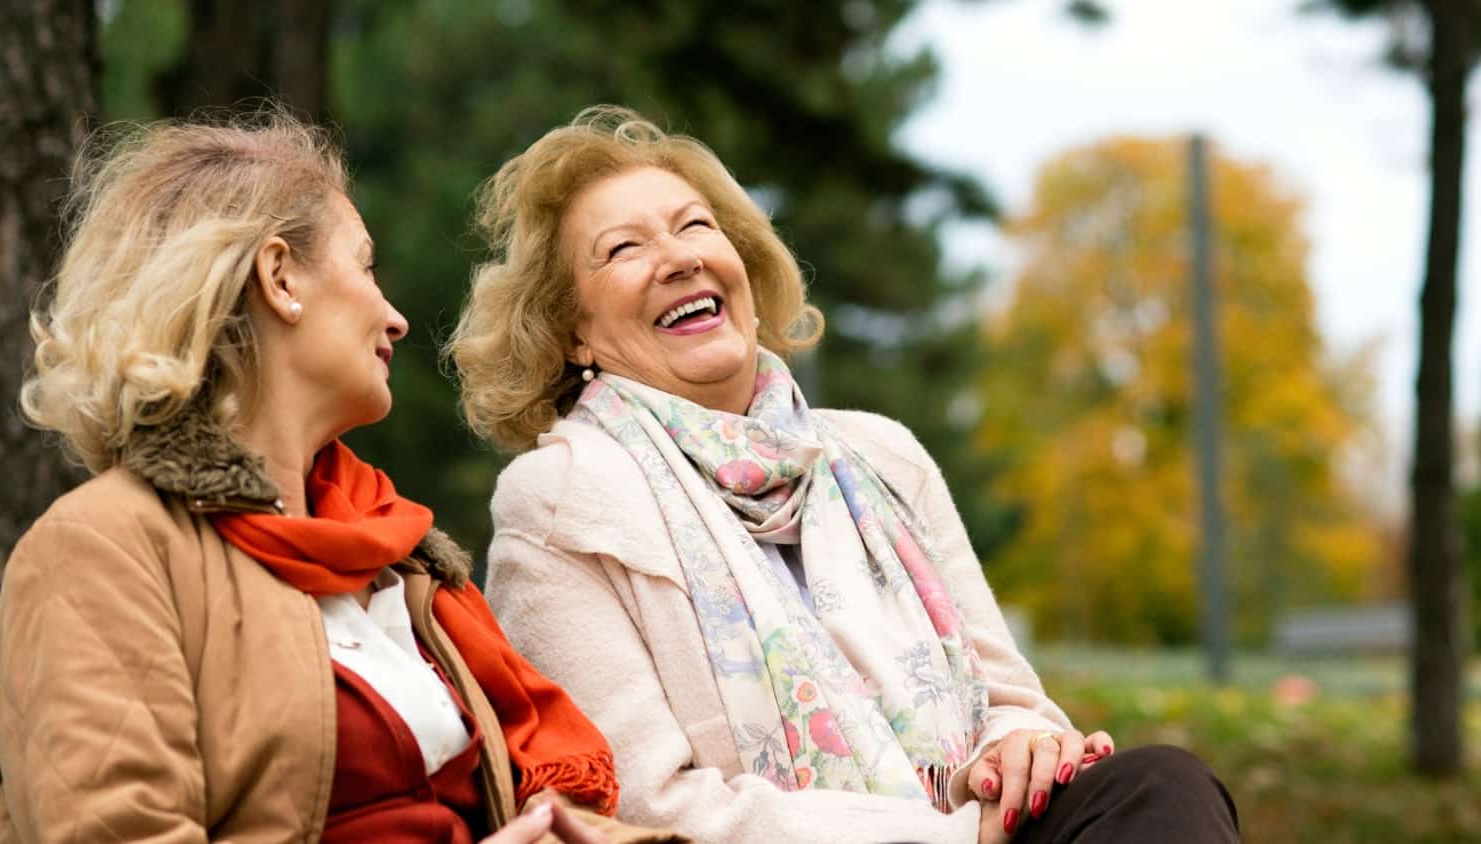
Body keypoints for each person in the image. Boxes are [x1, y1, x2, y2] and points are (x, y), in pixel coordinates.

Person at [446, 106, 1239, 844]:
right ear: (573, 331)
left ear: (744, 268)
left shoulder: (883, 453)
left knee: (1160, 785)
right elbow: (645, 804)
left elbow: (1010, 704)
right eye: (625, 248)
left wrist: (1016, 753)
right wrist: (947, 835)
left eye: (695, 227)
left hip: (980, 826)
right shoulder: (559, 500)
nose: (680, 257)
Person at [0, 110, 683, 844]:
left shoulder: (400, 561)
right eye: (365, 265)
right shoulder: (99, 549)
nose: (397, 319)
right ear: (280, 275)